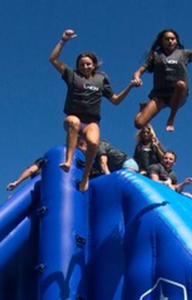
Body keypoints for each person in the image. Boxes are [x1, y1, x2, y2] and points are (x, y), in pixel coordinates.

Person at [49, 29, 140, 192]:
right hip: (74, 116)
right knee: (73, 122)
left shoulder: (101, 79)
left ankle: (85, 177)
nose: (85, 66)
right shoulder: (72, 75)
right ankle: (69, 160)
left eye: (88, 64)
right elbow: (53, 59)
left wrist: (130, 87)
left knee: (93, 143)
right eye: (82, 64)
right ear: (78, 66)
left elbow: (115, 100)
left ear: (94, 65)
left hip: (91, 121)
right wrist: (63, 41)